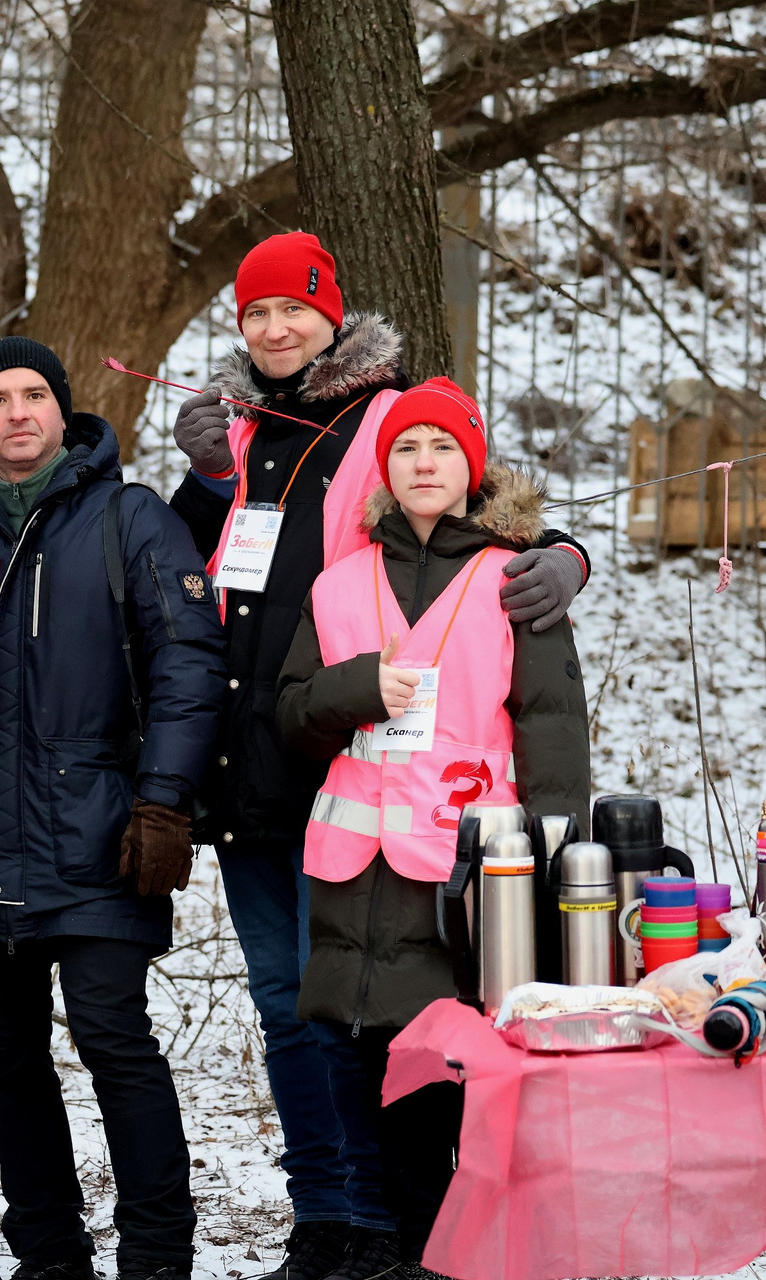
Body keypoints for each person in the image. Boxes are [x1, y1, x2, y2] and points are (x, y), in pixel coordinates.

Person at [165, 232, 591, 1278]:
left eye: (295, 309)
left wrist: (568, 557)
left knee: (384, 1019)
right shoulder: (240, 428)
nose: (276, 328)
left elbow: (469, 518)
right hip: (259, 760)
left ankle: (389, 1218)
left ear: (333, 315)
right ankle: (325, 1213)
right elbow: (192, 572)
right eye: (256, 312)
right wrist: (205, 479)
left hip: (367, 785)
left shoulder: (386, 418)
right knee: (290, 1008)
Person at [0, 338, 226, 1280]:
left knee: (114, 1039)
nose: (17, 412)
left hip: (100, 837)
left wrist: (164, 803)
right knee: (8, 1056)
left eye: (34, 394)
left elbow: (190, 666)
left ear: (63, 413)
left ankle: (157, 1253)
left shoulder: (129, 518)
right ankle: (48, 1252)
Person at [276, 378, 590, 1277]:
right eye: (407, 449)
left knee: (459, 1071)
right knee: (369, 1064)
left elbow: (552, 728)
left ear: (472, 468)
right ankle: (409, 1251)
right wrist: (356, 688)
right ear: (386, 471)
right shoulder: (339, 583)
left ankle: (465, 1250)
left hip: (468, 877)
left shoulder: (514, 580)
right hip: (354, 875)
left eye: (443, 448)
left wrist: (554, 863)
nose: (423, 463)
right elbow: (292, 716)